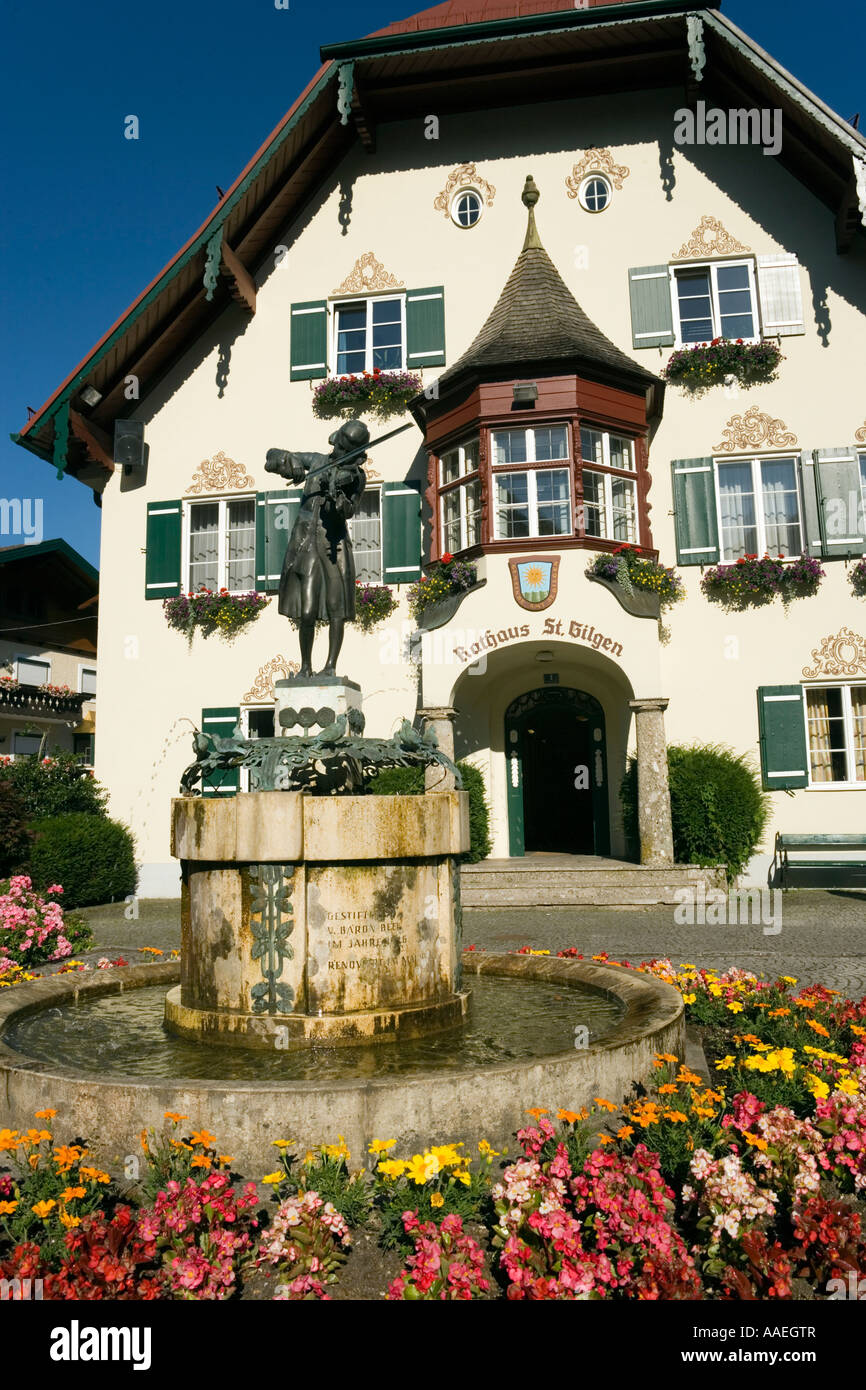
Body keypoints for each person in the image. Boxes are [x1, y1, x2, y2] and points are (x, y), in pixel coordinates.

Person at [264, 419, 369, 678]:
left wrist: (340, 501)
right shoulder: (318, 460)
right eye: (339, 449)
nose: (340, 456)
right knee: (307, 610)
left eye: (346, 453)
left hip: (333, 542)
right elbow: (272, 457)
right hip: (306, 541)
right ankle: (305, 666)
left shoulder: (356, 476)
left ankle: (331, 666)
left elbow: (350, 510)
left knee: (337, 607)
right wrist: (293, 464)